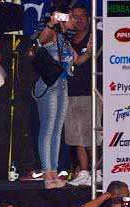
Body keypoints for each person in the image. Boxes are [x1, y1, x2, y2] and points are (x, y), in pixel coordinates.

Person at [32, 8, 74, 189]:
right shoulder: (51, 34)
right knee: (47, 128)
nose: (74, 20)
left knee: (57, 129)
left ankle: (54, 170)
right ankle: (47, 171)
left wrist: (88, 52)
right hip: (48, 85)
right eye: (71, 17)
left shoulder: (64, 38)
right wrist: (51, 23)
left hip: (62, 85)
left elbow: (75, 60)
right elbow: (39, 41)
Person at [63, 4, 95, 187]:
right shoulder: (67, 40)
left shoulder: (95, 37)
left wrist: (89, 51)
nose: (79, 20)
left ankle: (97, 170)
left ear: (88, 18)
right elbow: (75, 61)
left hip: (89, 93)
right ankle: (84, 171)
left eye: (82, 16)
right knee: (76, 136)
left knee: (89, 135)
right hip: (70, 92)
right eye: (75, 16)